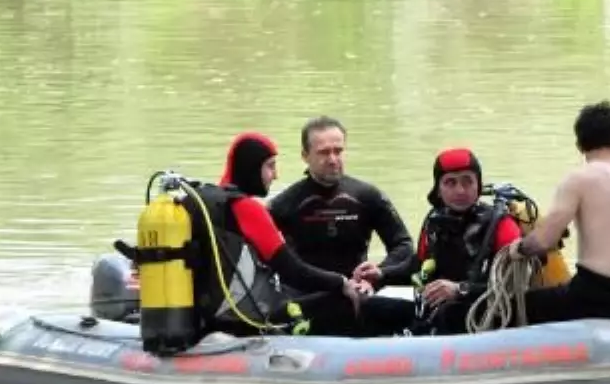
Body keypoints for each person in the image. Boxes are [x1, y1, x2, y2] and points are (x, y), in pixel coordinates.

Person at [181, 131, 370, 337]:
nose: (275, 175)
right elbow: (293, 271)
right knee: (344, 301)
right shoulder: (246, 209)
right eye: (270, 166)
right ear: (252, 168)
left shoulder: (205, 202)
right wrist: (341, 282)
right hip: (243, 320)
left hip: (203, 317)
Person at [511, 101, 610, 323]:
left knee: (517, 305)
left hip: (596, 297)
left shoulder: (578, 179)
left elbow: (545, 240)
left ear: (580, 145)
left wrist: (517, 249)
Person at [267, 116, 414, 337]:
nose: (333, 159)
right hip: (306, 300)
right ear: (305, 156)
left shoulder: (368, 196)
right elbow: (265, 256)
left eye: (338, 151)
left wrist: (379, 273)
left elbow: (403, 245)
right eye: (324, 152)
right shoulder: (285, 203)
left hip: (358, 293)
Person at [382, 147, 524, 334]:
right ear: (438, 189)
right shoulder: (434, 222)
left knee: (448, 313)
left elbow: (516, 285)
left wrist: (460, 290)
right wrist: (380, 274)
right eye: (450, 182)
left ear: (478, 185)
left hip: (484, 314)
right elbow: (418, 267)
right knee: (371, 307)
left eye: (468, 181)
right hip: (435, 310)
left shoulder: (501, 225)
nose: (460, 190)